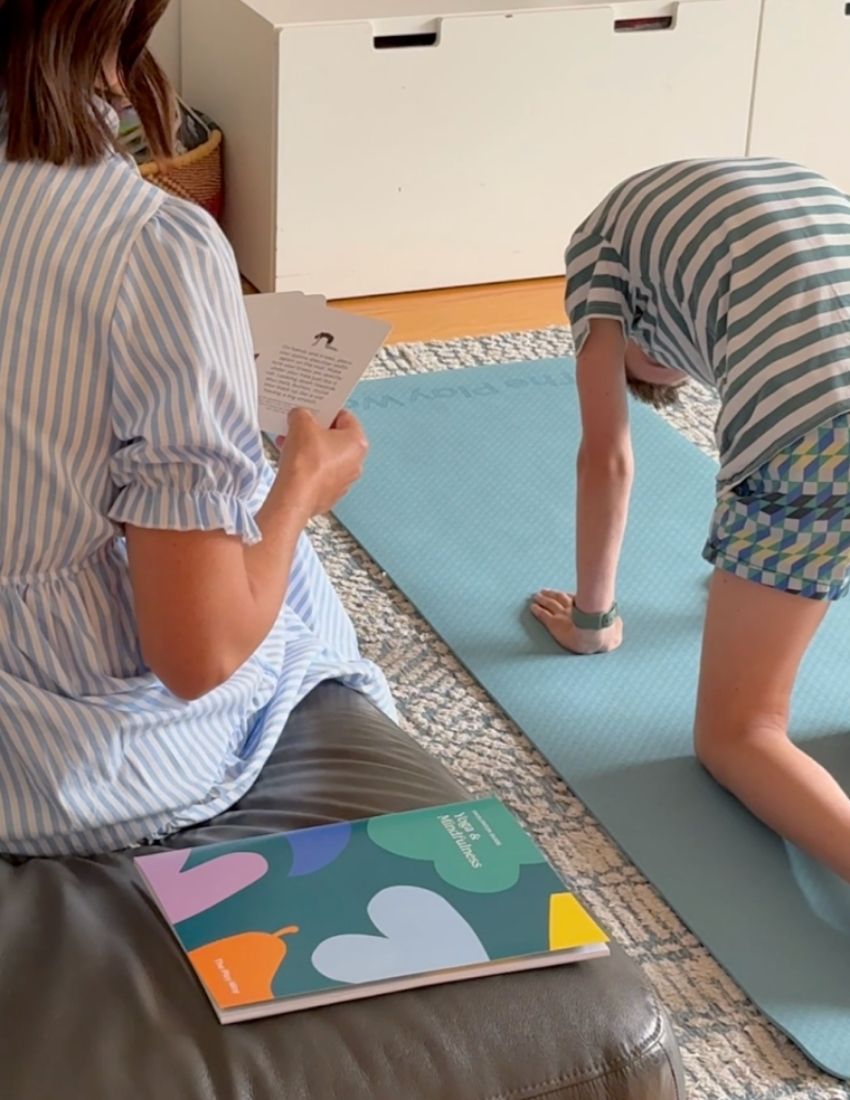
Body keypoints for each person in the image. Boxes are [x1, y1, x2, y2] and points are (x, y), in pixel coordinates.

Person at [0, 0, 394, 857]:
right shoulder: (152, 246)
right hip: (54, 769)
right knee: (272, 529)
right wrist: (300, 492)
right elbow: (197, 654)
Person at [531, 157, 850, 884]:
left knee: (740, 735)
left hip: (821, 428)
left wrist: (593, 620)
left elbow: (607, 456)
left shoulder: (594, 252)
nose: (668, 371)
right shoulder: (778, 181)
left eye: (653, 368)